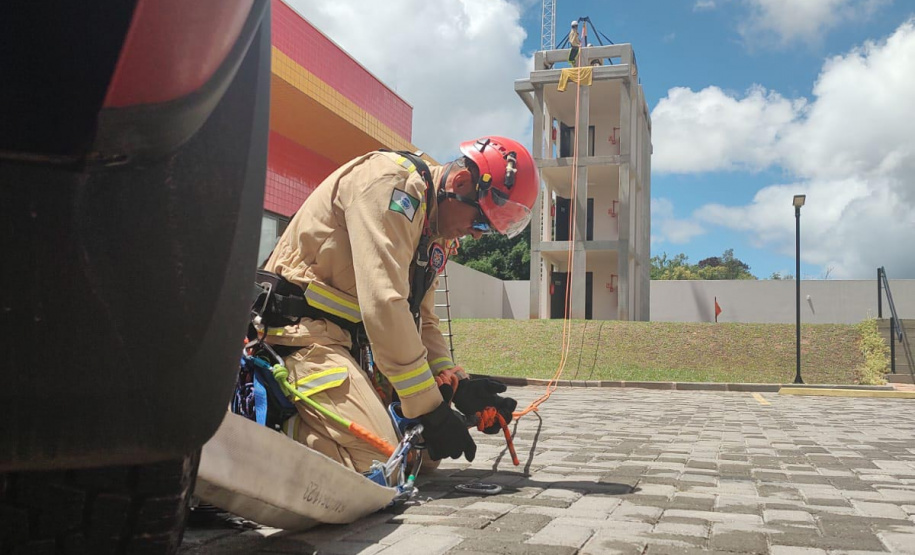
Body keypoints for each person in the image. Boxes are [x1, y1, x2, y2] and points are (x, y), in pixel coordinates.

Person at [257, 137, 539, 473]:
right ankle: (263, 433)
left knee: (424, 456)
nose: (476, 236)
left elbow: (423, 318)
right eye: (480, 222)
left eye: (488, 231)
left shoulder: (432, 233)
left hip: (344, 342)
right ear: (460, 183)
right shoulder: (390, 186)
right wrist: (431, 409)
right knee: (381, 460)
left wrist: (458, 384)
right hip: (299, 335)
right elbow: (385, 303)